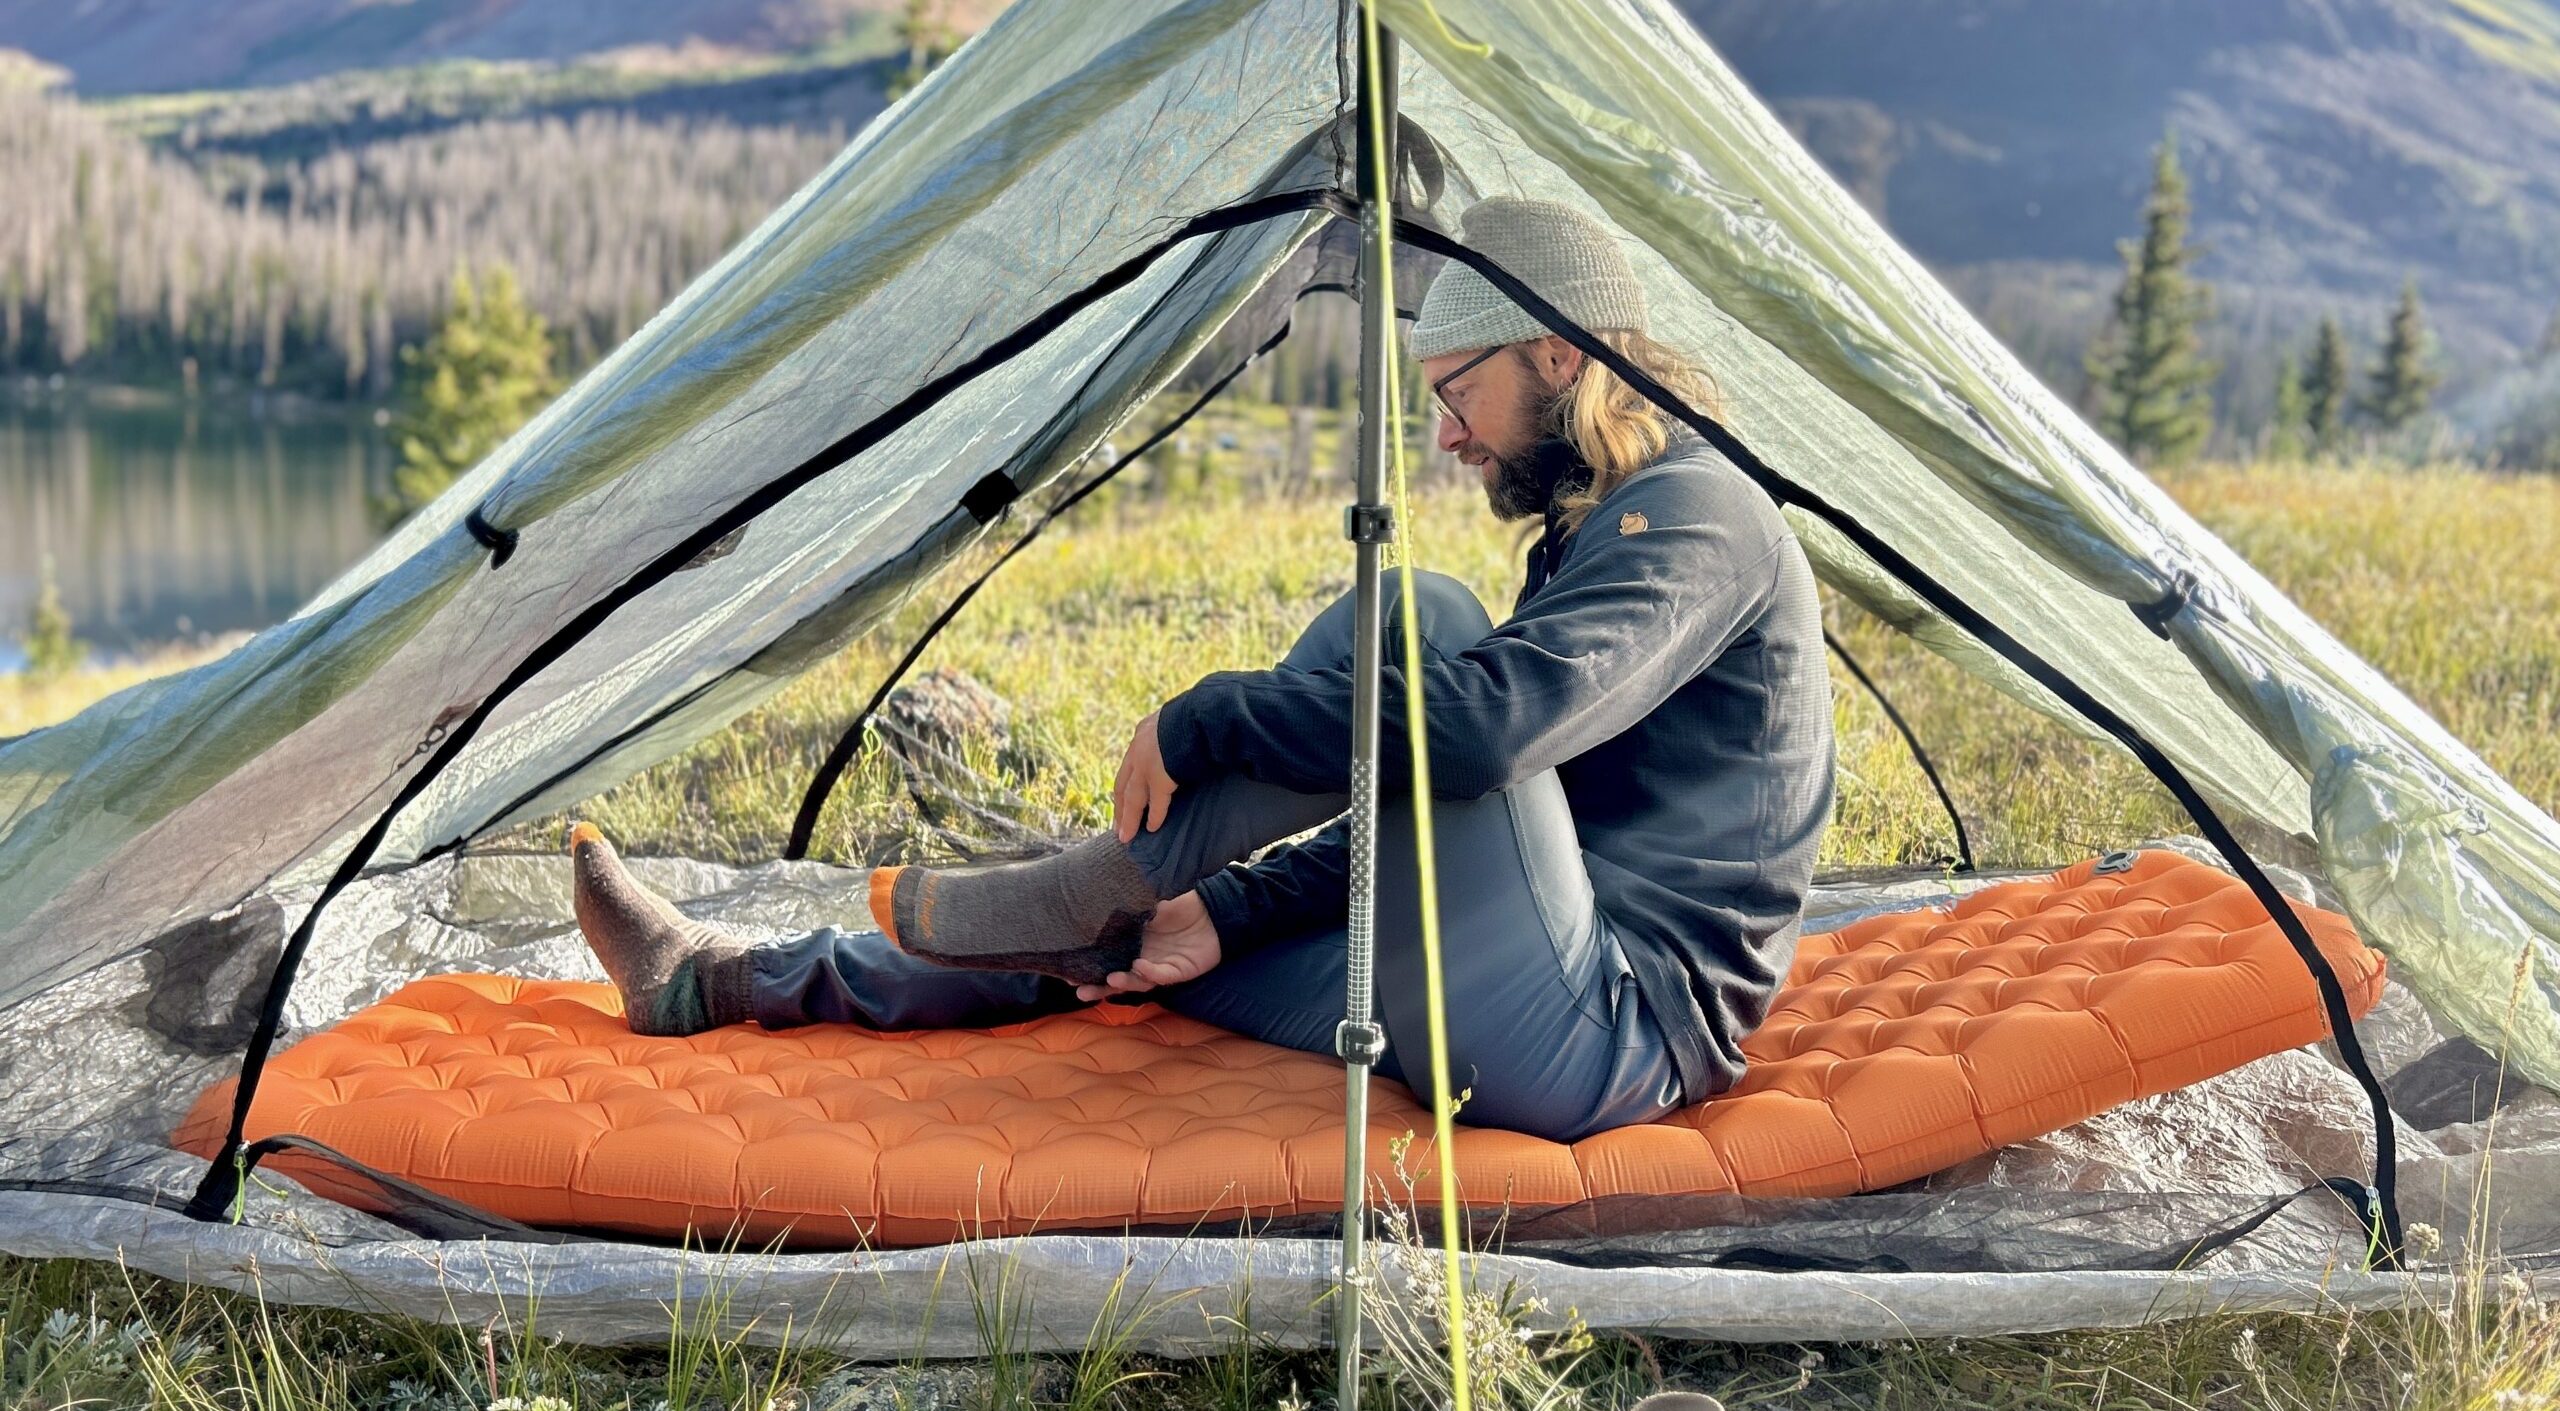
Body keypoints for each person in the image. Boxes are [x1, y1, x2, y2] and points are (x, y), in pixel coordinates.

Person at [570, 196, 1835, 1143]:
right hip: (1509, 991)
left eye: (1458, 391)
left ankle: (1098, 876)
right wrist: (1215, 911)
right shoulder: (1594, 533)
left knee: (1417, 613)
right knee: (1136, 943)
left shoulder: (1701, 516)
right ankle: (716, 978)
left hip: (1604, 1031)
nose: (1446, 434)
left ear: (1558, 354)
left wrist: (1217, 716)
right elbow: (1432, 822)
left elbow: (1489, 733)